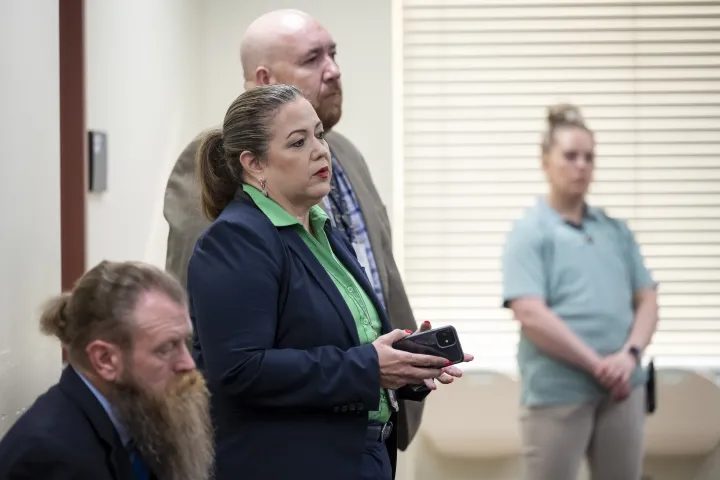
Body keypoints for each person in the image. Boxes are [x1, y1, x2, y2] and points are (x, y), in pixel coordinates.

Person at [163, 9, 427, 450]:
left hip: (366, 420)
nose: (334, 71)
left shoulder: (345, 156)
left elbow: (375, 275)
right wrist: (364, 368)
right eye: (313, 59)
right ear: (264, 79)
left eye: (334, 54)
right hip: (282, 438)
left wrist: (399, 359)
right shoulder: (212, 167)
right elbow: (214, 334)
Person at [187, 83, 472, 480]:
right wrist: (370, 366)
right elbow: (239, 370)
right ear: (254, 164)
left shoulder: (322, 230)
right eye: (298, 142)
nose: (321, 150)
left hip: (360, 454)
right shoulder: (237, 239)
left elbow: (339, 345)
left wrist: (402, 364)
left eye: (319, 134)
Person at [501, 104, 659, 480]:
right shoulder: (530, 232)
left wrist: (629, 356)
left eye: (589, 157)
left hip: (624, 389)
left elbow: (647, 299)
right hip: (558, 392)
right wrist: (597, 364)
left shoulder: (615, 230)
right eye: (570, 155)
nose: (582, 165)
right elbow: (530, 313)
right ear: (545, 161)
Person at [0, 260, 214, 480]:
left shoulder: (144, 414)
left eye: (185, 342)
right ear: (105, 359)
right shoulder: (49, 459)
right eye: (166, 348)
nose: (188, 364)